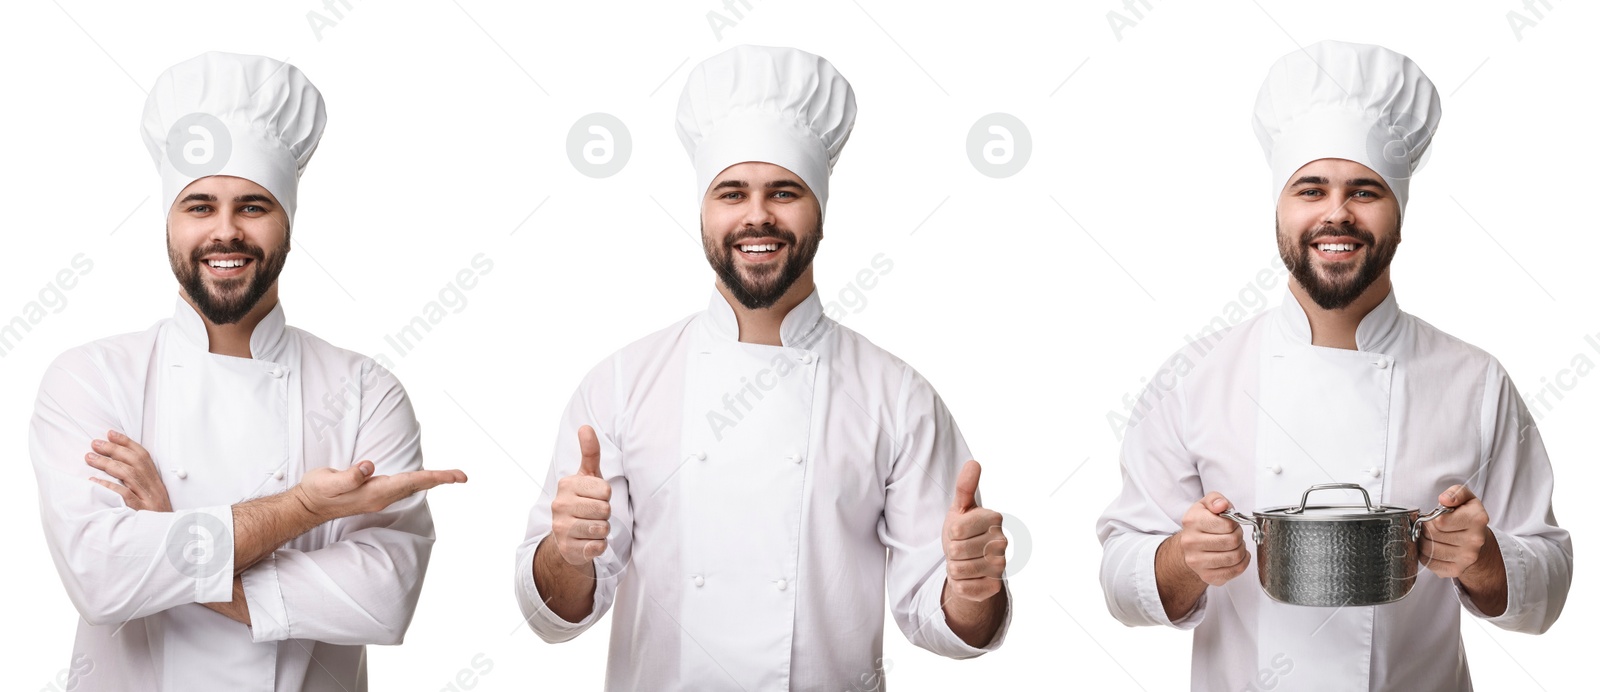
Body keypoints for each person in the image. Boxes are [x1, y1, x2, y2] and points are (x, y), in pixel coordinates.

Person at [514, 45, 1011, 690]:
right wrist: (568, 552)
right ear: (702, 212)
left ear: (821, 213)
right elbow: (557, 616)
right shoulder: (619, 385)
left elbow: (944, 621)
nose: (757, 215)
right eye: (732, 193)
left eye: (784, 192)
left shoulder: (898, 396)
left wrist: (973, 588)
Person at [1096, 40, 1571, 690]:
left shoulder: (1476, 382)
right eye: (1310, 189)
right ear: (1281, 210)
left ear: (1399, 212)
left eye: (1365, 190)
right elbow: (1119, 578)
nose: (1336, 213)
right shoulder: (1196, 377)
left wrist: (1484, 559)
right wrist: (1183, 558)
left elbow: (1549, 581)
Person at [29, 52, 467, 692]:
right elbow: (100, 578)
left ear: (288, 218)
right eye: (200, 206)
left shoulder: (367, 391)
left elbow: (386, 600)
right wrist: (302, 508)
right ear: (170, 222)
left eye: (253, 206)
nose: (225, 232)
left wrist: (168, 536)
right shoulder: (90, 378)